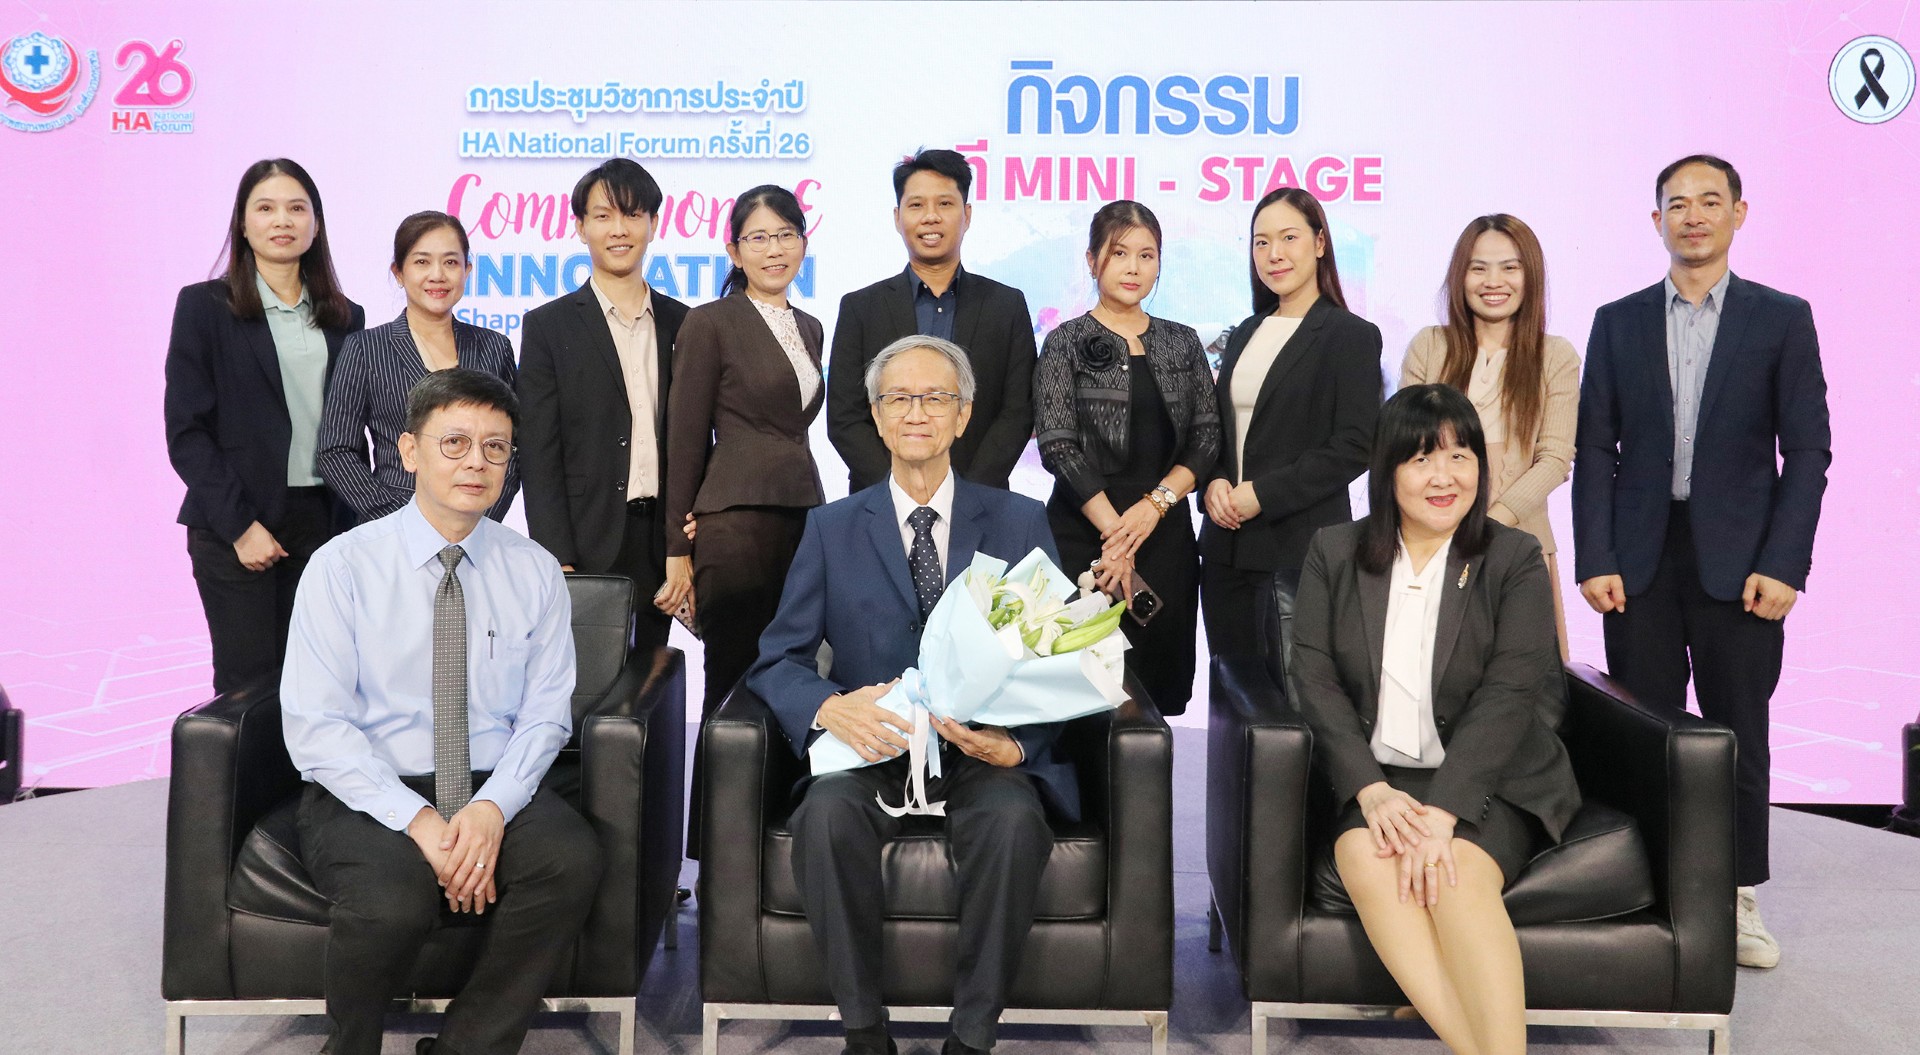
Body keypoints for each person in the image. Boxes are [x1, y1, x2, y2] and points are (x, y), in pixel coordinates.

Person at [749, 336, 1068, 1055]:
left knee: (1014, 825)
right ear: (876, 414)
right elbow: (778, 658)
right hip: (873, 747)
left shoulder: (1018, 521)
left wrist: (1016, 745)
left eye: (935, 398)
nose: (916, 412)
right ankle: (865, 1032)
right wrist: (829, 707)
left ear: (964, 415)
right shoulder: (831, 528)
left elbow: (1054, 657)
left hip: (978, 751)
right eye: (899, 398)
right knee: (824, 819)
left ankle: (971, 1037)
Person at [281, 369, 603, 1055]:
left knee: (570, 860)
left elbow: (546, 714)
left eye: (495, 447)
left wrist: (491, 807)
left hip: (487, 777)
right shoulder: (343, 566)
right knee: (392, 900)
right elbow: (317, 726)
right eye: (454, 442)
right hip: (370, 788)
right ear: (408, 451)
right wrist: (419, 819)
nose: (475, 462)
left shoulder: (535, 569)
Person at [1573, 154, 1829, 970]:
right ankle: (1643, 889)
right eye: (1676, 204)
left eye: (1709, 201)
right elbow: (1594, 447)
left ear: (1737, 213)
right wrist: (1595, 554)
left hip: (1744, 566)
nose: (1693, 216)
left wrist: (1786, 564)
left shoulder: (1781, 318)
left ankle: (1736, 894)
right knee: (1643, 732)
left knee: (1735, 734)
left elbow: (1808, 452)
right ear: (1656, 221)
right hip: (1639, 562)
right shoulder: (1618, 321)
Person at [1294, 384, 1582, 1055]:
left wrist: (1447, 809)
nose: (1444, 476)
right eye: (1422, 459)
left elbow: (1511, 692)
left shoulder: (1511, 557)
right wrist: (1369, 788)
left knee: (1451, 872)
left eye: (1460, 456)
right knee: (1366, 856)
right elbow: (1314, 679)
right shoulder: (1334, 551)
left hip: (1493, 778)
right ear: (1388, 470)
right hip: (1381, 778)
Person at [165, 158, 366, 695]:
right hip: (237, 523)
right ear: (243, 222)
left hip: (323, 523)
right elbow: (187, 432)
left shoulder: (347, 316)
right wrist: (240, 526)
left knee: (318, 688)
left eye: (297, 208)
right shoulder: (204, 307)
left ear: (316, 224)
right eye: (266, 208)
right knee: (248, 691)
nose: (282, 220)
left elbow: (352, 427)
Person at [665, 184, 825, 847]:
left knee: (795, 678)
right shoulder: (711, 322)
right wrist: (677, 547)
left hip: (804, 517)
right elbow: (684, 437)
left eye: (786, 234)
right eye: (758, 237)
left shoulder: (810, 326)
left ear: (803, 243)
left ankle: (780, 839)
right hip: (734, 522)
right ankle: (719, 848)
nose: (774, 249)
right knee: (732, 685)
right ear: (734, 250)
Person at [1033, 200, 1219, 715]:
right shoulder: (1064, 342)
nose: (1134, 268)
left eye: (1147, 255)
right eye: (1119, 253)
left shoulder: (1182, 342)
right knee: (1078, 693)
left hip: (1163, 533)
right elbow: (1057, 445)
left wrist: (1153, 507)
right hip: (1083, 529)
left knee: (1155, 696)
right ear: (1092, 260)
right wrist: (1118, 536)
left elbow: (1206, 438)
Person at [1201, 187, 1382, 689]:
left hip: (1298, 551)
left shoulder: (1350, 335)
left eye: (1288, 238)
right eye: (1261, 242)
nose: (1273, 254)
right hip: (1224, 549)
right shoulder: (1245, 331)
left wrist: (1262, 494)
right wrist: (1214, 481)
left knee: (1293, 703)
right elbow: (1217, 427)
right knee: (1232, 700)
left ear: (1320, 243)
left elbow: (1355, 444)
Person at [517, 159, 691, 654]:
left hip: (663, 544)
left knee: (653, 678)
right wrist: (557, 556)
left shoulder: (685, 323)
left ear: (653, 224)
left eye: (633, 215)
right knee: (582, 684)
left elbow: (696, 443)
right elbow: (538, 451)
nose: (619, 230)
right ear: (580, 227)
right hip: (586, 539)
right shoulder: (548, 326)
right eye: (603, 216)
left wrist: (684, 544)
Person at [1401, 214, 1579, 657]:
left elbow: (1555, 458)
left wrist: (1488, 524)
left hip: (1519, 543)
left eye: (1510, 267)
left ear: (1530, 275)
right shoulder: (1429, 346)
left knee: (1520, 677)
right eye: (1478, 268)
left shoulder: (1555, 355)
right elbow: (1404, 446)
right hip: (1430, 544)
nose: (1493, 281)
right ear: (1459, 276)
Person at [828, 148, 1038, 492]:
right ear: (897, 217)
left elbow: (1017, 414)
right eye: (916, 205)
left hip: (981, 502)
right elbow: (845, 418)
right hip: (881, 502)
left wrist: (965, 495)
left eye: (944, 204)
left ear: (966, 215)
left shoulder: (1006, 305)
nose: (930, 217)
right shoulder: (860, 308)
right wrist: (902, 490)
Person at [318, 211, 519, 524]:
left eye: (450, 262)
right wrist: (401, 522)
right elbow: (335, 450)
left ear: (467, 270)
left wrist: (480, 519)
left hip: (476, 527)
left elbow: (514, 448)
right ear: (399, 272)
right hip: (391, 526)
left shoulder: (494, 347)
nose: (437, 275)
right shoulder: (366, 348)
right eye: (422, 262)